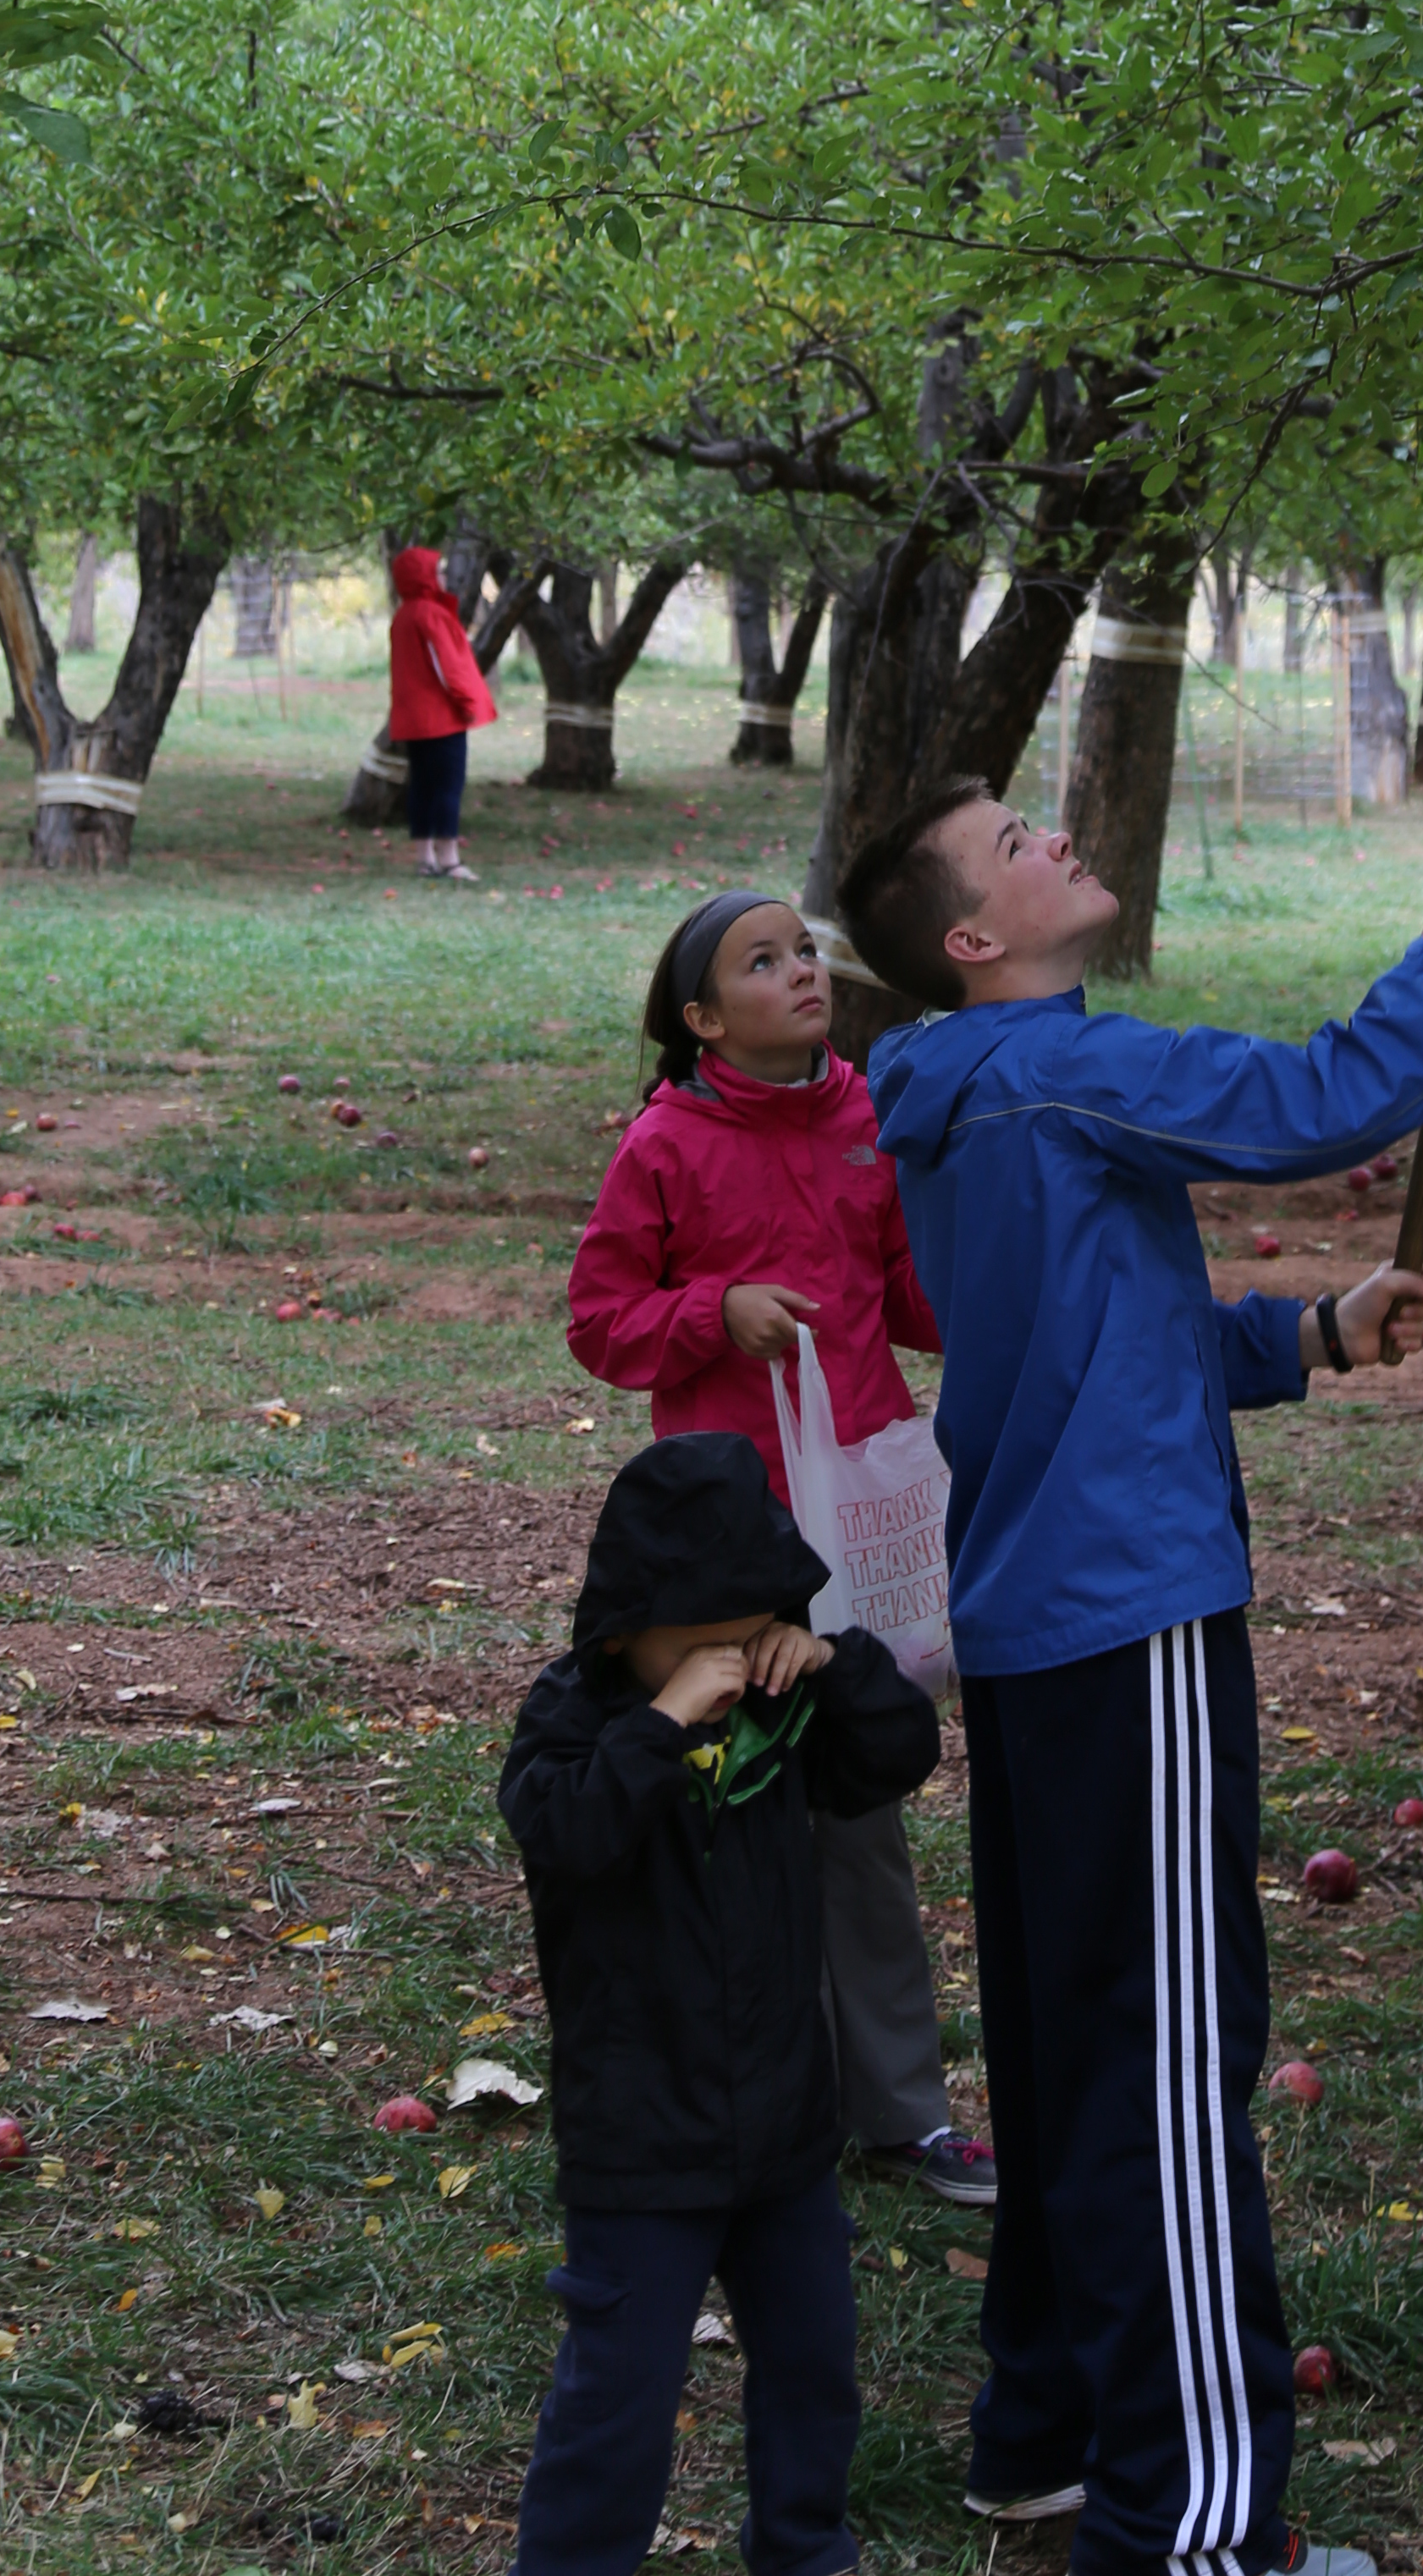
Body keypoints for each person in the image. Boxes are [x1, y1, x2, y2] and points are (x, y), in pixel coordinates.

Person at [839, 713, 1423, 2576]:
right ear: (976, 940)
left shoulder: (972, 1094)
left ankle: (1048, 2433)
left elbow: (1101, 1333)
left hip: (1045, 1613)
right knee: (1165, 2061)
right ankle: (1197, 2531)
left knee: (1080, 2041)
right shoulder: (1062, 1075)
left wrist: (1310, 1335)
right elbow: (1331, 1097)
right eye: (1011, 841)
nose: (1052, 835)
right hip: (1125, 1608)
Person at [566, 891, 990, 2204]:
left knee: (857, 1813)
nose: (802, 971)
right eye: (764, 962)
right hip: (727, 1549)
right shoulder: (665, 1146)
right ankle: (750, 2104)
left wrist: (995, 1296)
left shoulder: (871, 1118)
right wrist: (712, 1310)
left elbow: (911, 1296)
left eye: (805, 951)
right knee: (734, 1812)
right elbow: (602, 1319)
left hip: (861, 1526)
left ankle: (900, 2109)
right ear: (703, 1017)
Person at [498, 1432, 940, 2576]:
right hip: (644, 2141)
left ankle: (806, 2548)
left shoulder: (784, 1725)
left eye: (746, 1634)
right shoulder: (578, 1725)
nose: (728, 1666)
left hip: (787, 2129)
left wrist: (836, 1665)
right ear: (625, 1630)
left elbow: (900, 1756)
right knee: (620, 2395)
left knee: (814, 2366)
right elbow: (565, 1831)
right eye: (698, 1643)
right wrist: (660, 1725)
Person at [388, 542, 496, 881]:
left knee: (421, 786)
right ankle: (450, 859)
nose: (444, 576)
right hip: (441, 720)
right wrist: (467, 704)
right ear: (424, 577)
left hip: (414, 721)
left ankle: (425, 857)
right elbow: (447, 665)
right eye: (437, 571)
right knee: (448, 786)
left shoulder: (404, 615)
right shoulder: (430, 614)